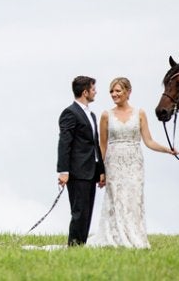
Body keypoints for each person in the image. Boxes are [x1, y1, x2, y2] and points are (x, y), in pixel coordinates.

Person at [88, 77, 175, 248]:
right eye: (112, 91)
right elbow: (102, 146)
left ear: (128, 92)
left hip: (134, 163)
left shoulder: (140, 113)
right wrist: (101, 171)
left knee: (133, 200)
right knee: (116, 199)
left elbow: (149, 141)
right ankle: (115, 235)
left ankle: (135, 235)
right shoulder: (106, 115)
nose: (114, 94)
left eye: (118, 91)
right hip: (114, 164)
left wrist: (167, 150)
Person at [56, 75, 106, 246]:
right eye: (93, 89)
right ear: (85, 92)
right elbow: (64, 143)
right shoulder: (70, 113)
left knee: (87, 211)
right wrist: (63, 172)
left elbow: (95, 145)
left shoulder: (91, 115)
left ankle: (81, 245)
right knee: (79, 212)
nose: (95, 92)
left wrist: (101, 171)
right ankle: (74, 246)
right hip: (77, 172)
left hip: (91, 171)